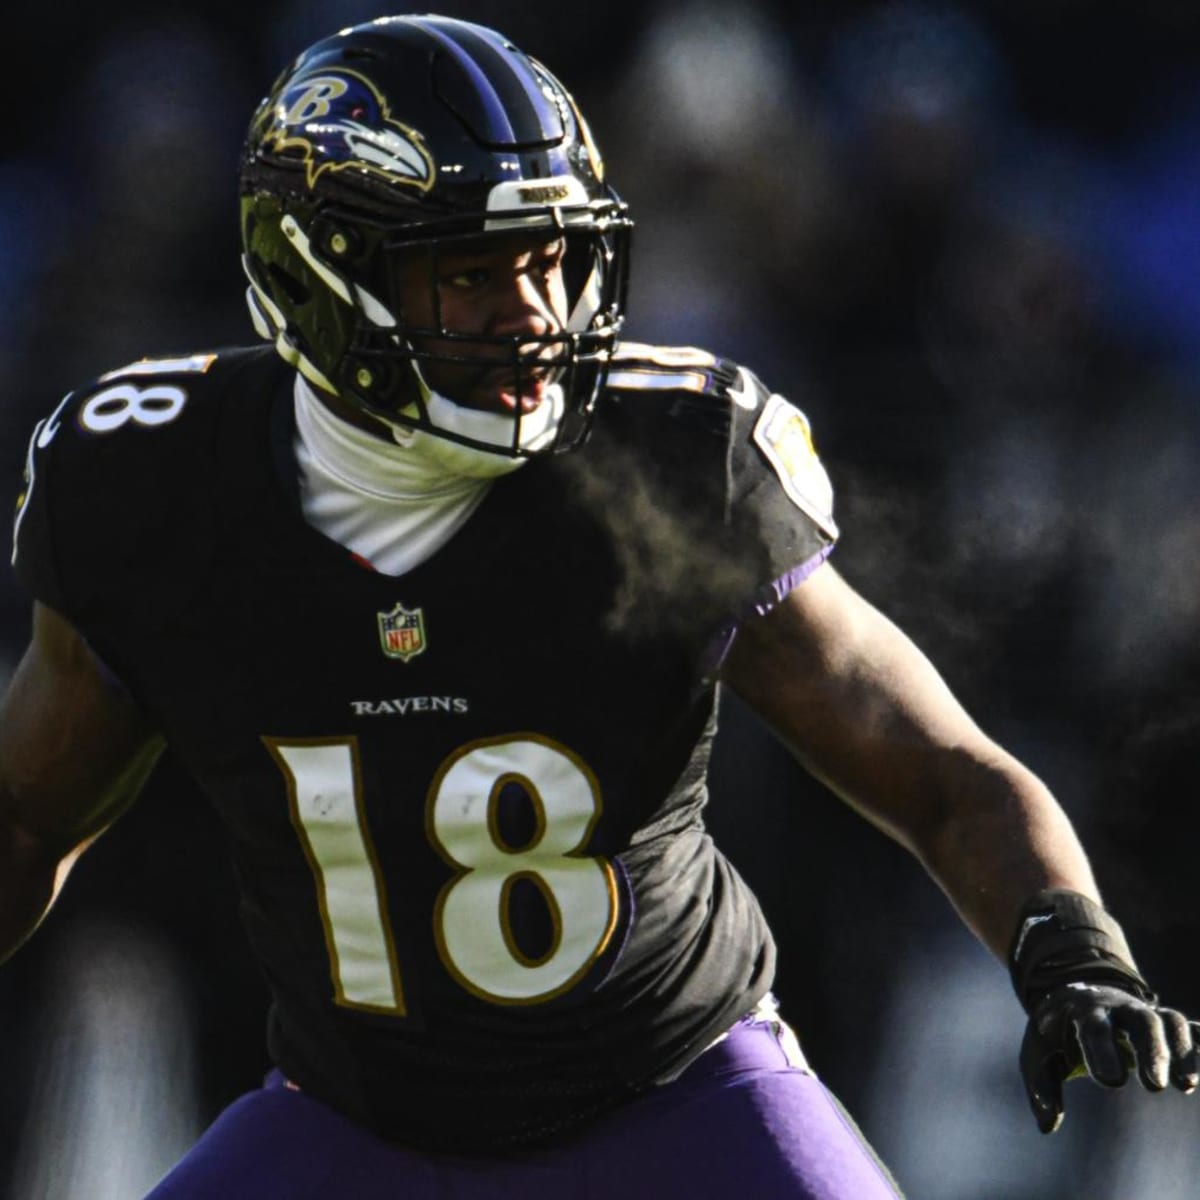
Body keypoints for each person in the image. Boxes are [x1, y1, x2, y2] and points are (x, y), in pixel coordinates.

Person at [1, 14, 1196, 1199]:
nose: (534, 313)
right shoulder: (156, 486)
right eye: (471, 269)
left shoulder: (664, 459)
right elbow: (25, 816)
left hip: (677, 1095)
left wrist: (1068, 946)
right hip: (356, 1123)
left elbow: (936, 768)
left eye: (551, 258)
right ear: (316, 270)